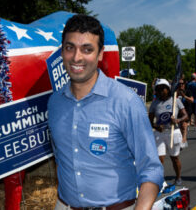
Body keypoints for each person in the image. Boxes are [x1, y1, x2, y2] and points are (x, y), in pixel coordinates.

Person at [48, 14, 163, 210]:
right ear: (62, 52)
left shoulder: (125, 101)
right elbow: (60, 160)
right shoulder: (54, 103)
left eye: (87, 49)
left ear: (100, 54)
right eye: (70, 48)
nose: (77, 57)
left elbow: (151, 169)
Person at [149, 79, 188, 186]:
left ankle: (178, 177)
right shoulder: (154, 103)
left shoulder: (175, 101)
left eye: (163, 88)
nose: (161, 91)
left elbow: (186, 115)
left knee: (174, 158)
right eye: (158, 89)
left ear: (168, 89)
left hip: (173, 132)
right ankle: (160, 180)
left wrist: (177, 120)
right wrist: (156, 126)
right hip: (159, 133)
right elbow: (149, 121)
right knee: (159, 158)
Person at [177, 79, 193, 148]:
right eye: (179, 84)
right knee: (179, 127)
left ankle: (183, 141)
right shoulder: (175, 92)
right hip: (178, 111)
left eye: (182, 83)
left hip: (186, 111)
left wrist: (184, 96)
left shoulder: (188, 91)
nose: (181, 85)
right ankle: (183, 139)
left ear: (184, 84)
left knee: (184, 126)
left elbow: (192, 100)